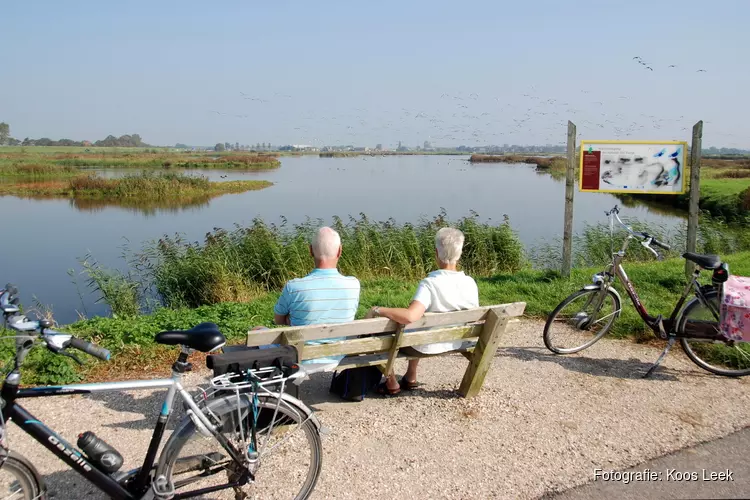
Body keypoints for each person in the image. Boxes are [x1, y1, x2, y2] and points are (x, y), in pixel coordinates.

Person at [367, 227, 479, 395]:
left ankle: (391, 382)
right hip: (455, 341)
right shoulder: (470, 283)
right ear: (460, 253)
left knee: (387, 330)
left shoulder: (430, 284)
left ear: (436, 252)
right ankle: (410, 377)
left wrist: (377, 309)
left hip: (425, 345)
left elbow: (410, 316)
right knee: (420, 327)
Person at [257, 226, 360, 367]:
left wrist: (292, 320)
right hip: (337, 355)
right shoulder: (353, 284)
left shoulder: (293, 287)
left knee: (257, 331)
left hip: (300, 356)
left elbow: (278, 320)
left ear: (310, 250)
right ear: (340, 251)